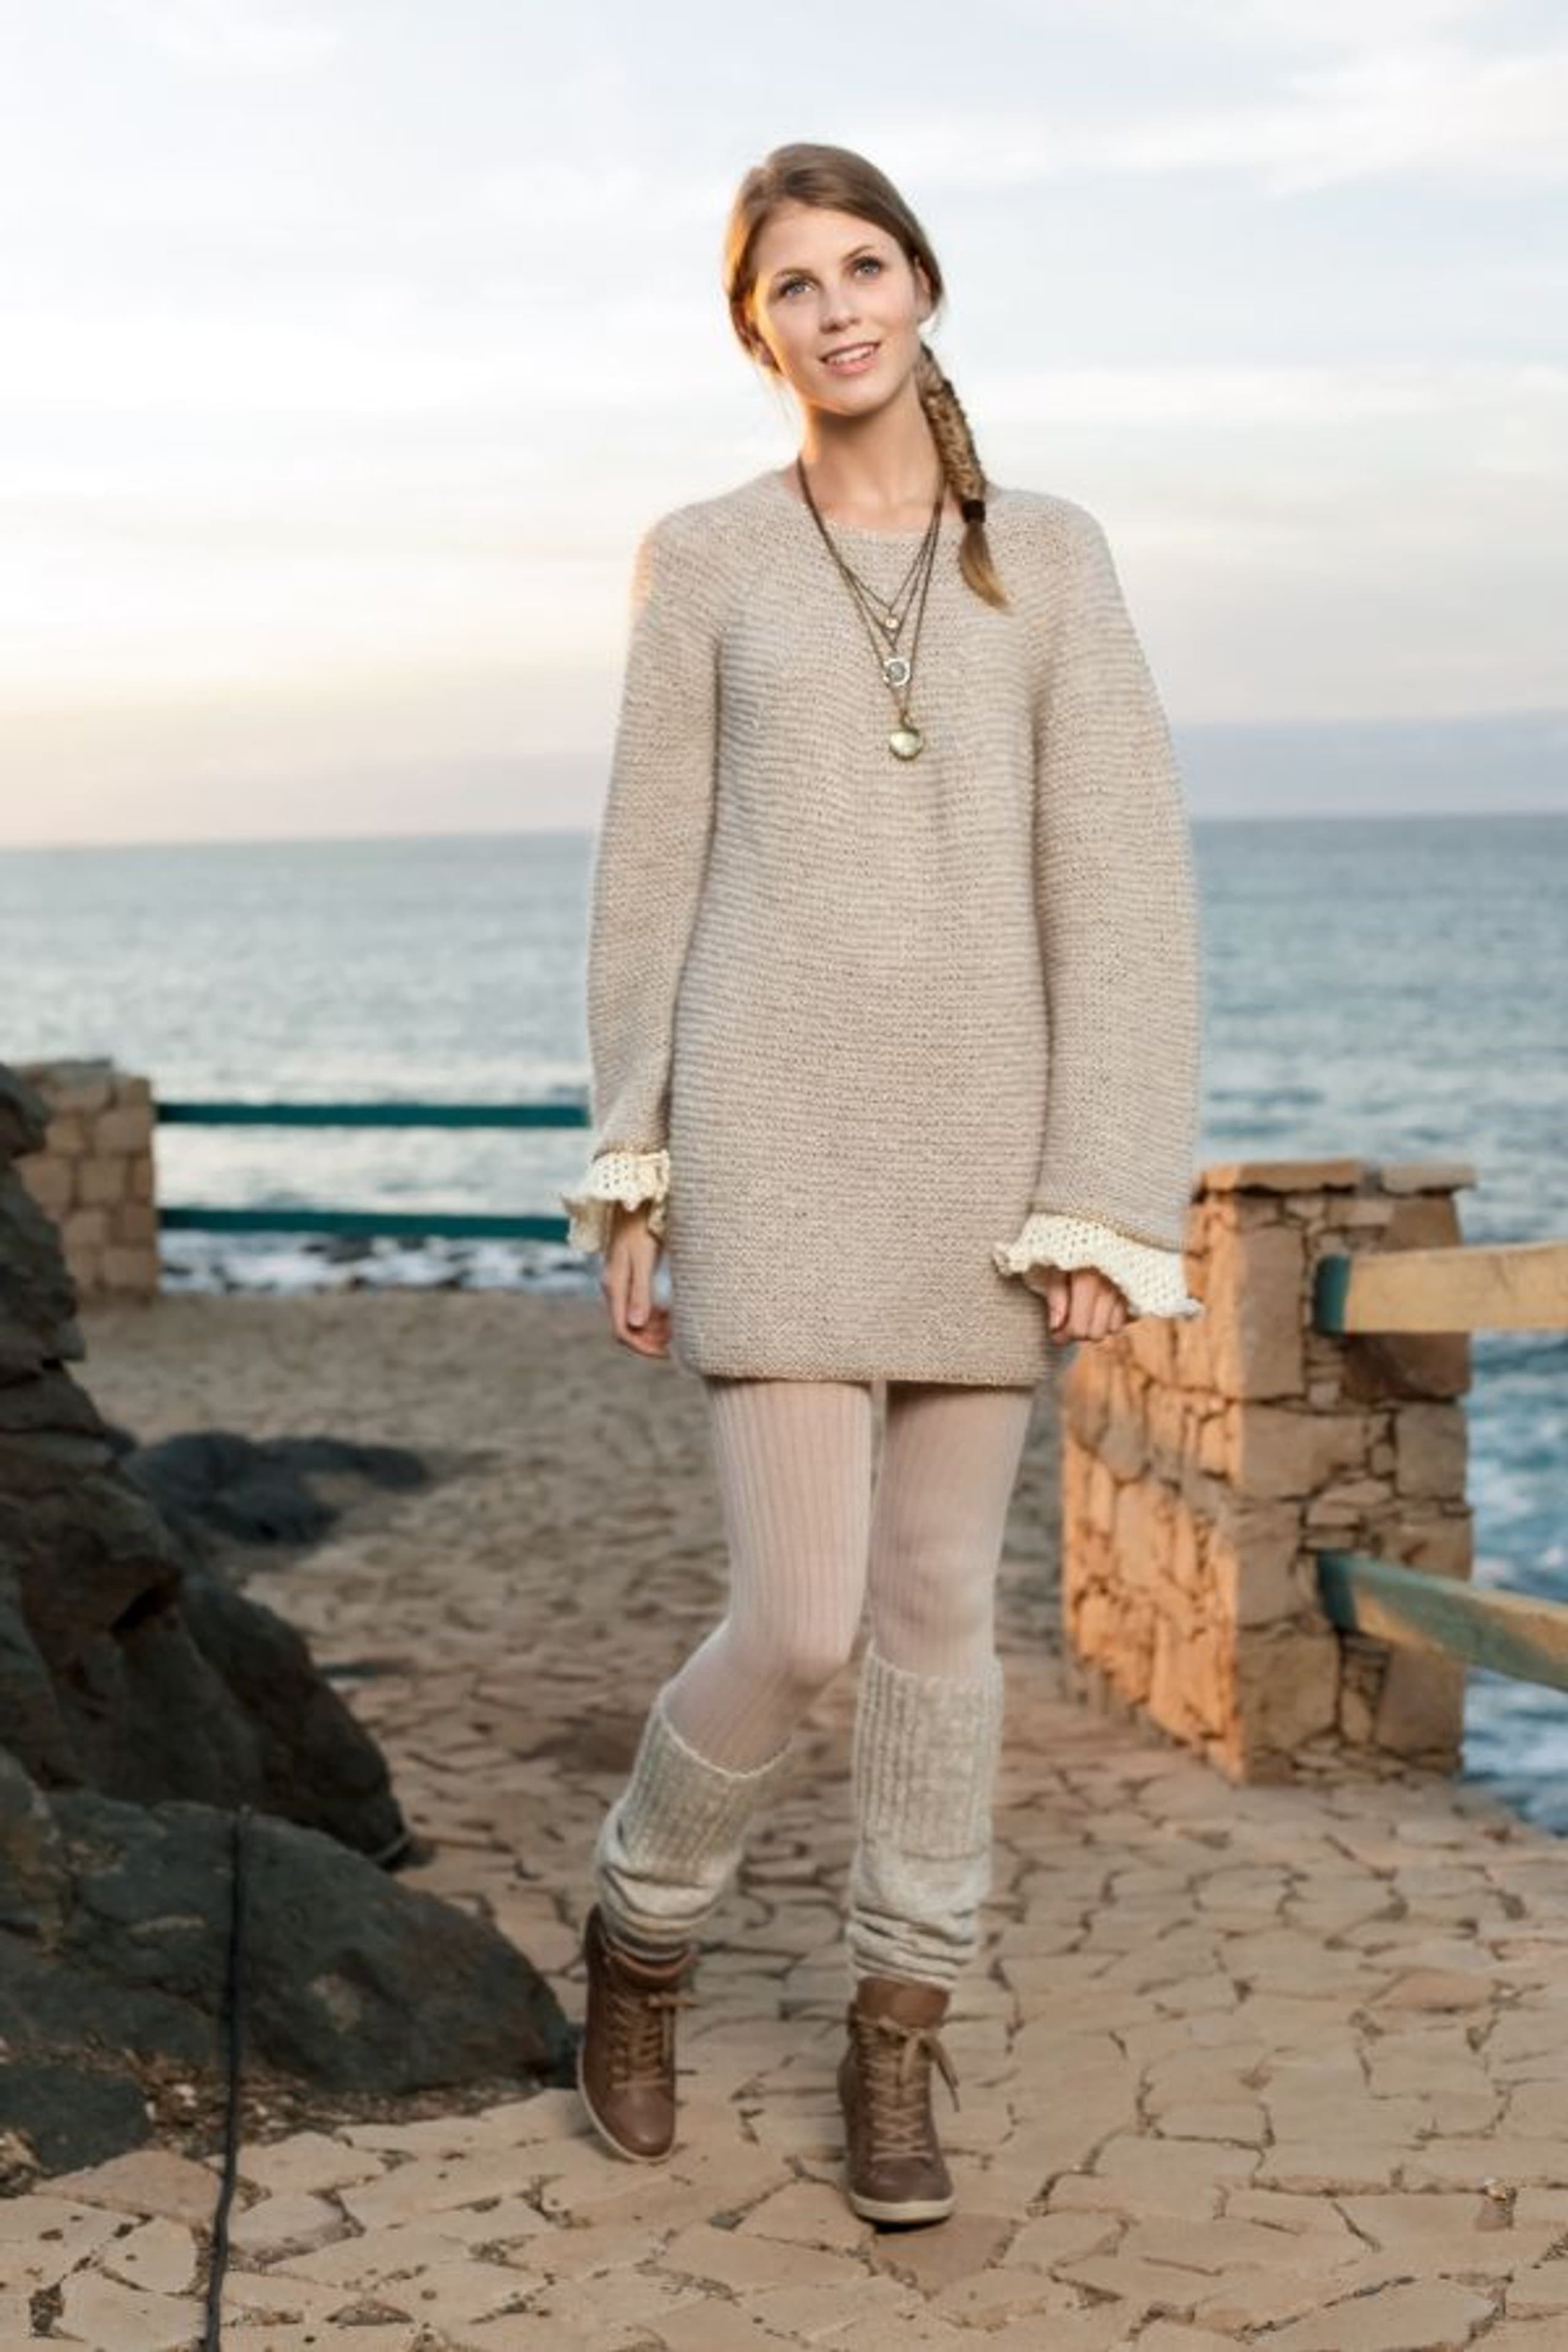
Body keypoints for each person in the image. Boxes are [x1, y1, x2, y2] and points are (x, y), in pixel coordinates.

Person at [559, 140, 1204, 2228]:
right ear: (754, 331)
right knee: (804, 1618)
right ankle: (644, 1929)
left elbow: (1122, 889)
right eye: (793, 286)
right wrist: (634, 1159)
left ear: (924, 283)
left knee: (940, 1614)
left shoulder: (1057, 557)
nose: (836, 310)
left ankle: (895, 2028)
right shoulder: (705, 559)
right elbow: (648, 875)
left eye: (863, 267)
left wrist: (1106, 1190)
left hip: (985, 1155)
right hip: (770, 1133)